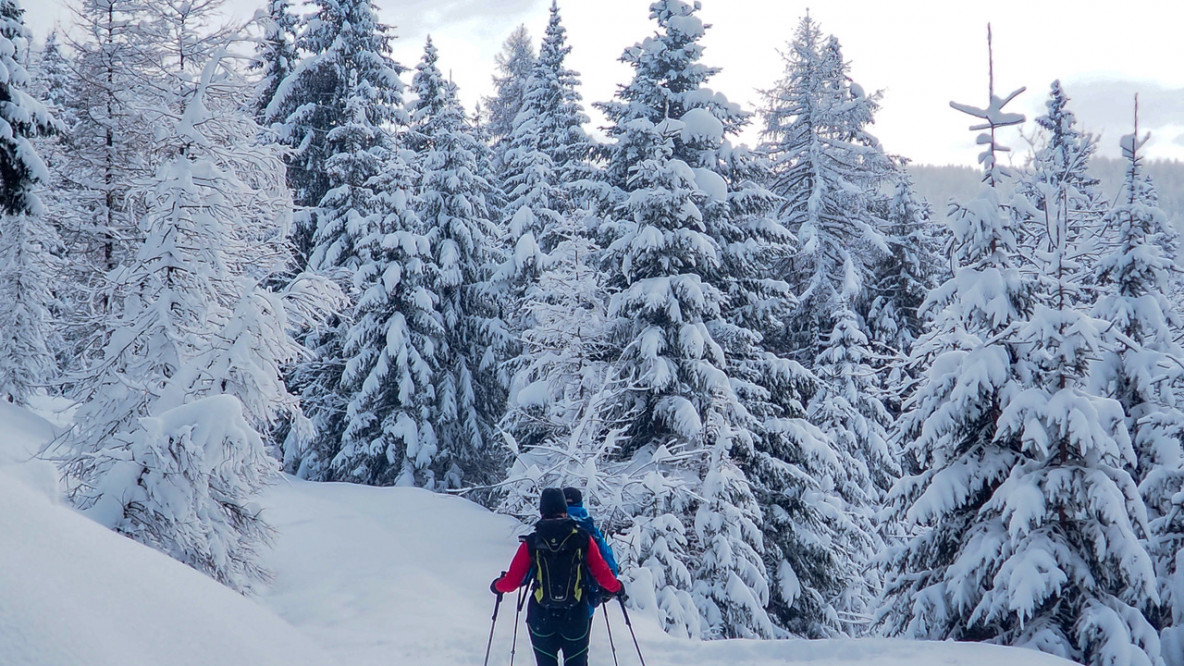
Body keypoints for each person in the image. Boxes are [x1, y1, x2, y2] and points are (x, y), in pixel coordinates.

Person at [491, 487, 624, 666]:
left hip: (541, 618)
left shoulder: (532, 541)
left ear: (542, 511)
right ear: (564, 510)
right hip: (575, 616)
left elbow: (513, 581)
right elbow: (603, 574)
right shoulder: (583, 539)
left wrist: (497, 585)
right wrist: (617, 588)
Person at [562, 487, 617, 617]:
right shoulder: (590, 530)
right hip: (585, 601)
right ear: (580, 504)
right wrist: (612, 586)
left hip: (548, 603)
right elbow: (609, 564)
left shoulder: (549, 529)